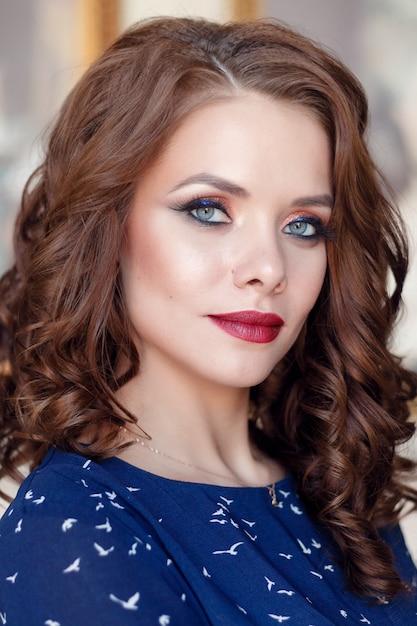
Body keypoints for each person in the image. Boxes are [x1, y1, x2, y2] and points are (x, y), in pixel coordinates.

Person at [0, 16, 416, 625]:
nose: (268, 268)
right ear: (106, 227)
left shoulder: (340, 490)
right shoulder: (73, 534)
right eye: (208, 209)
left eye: (304, 225)